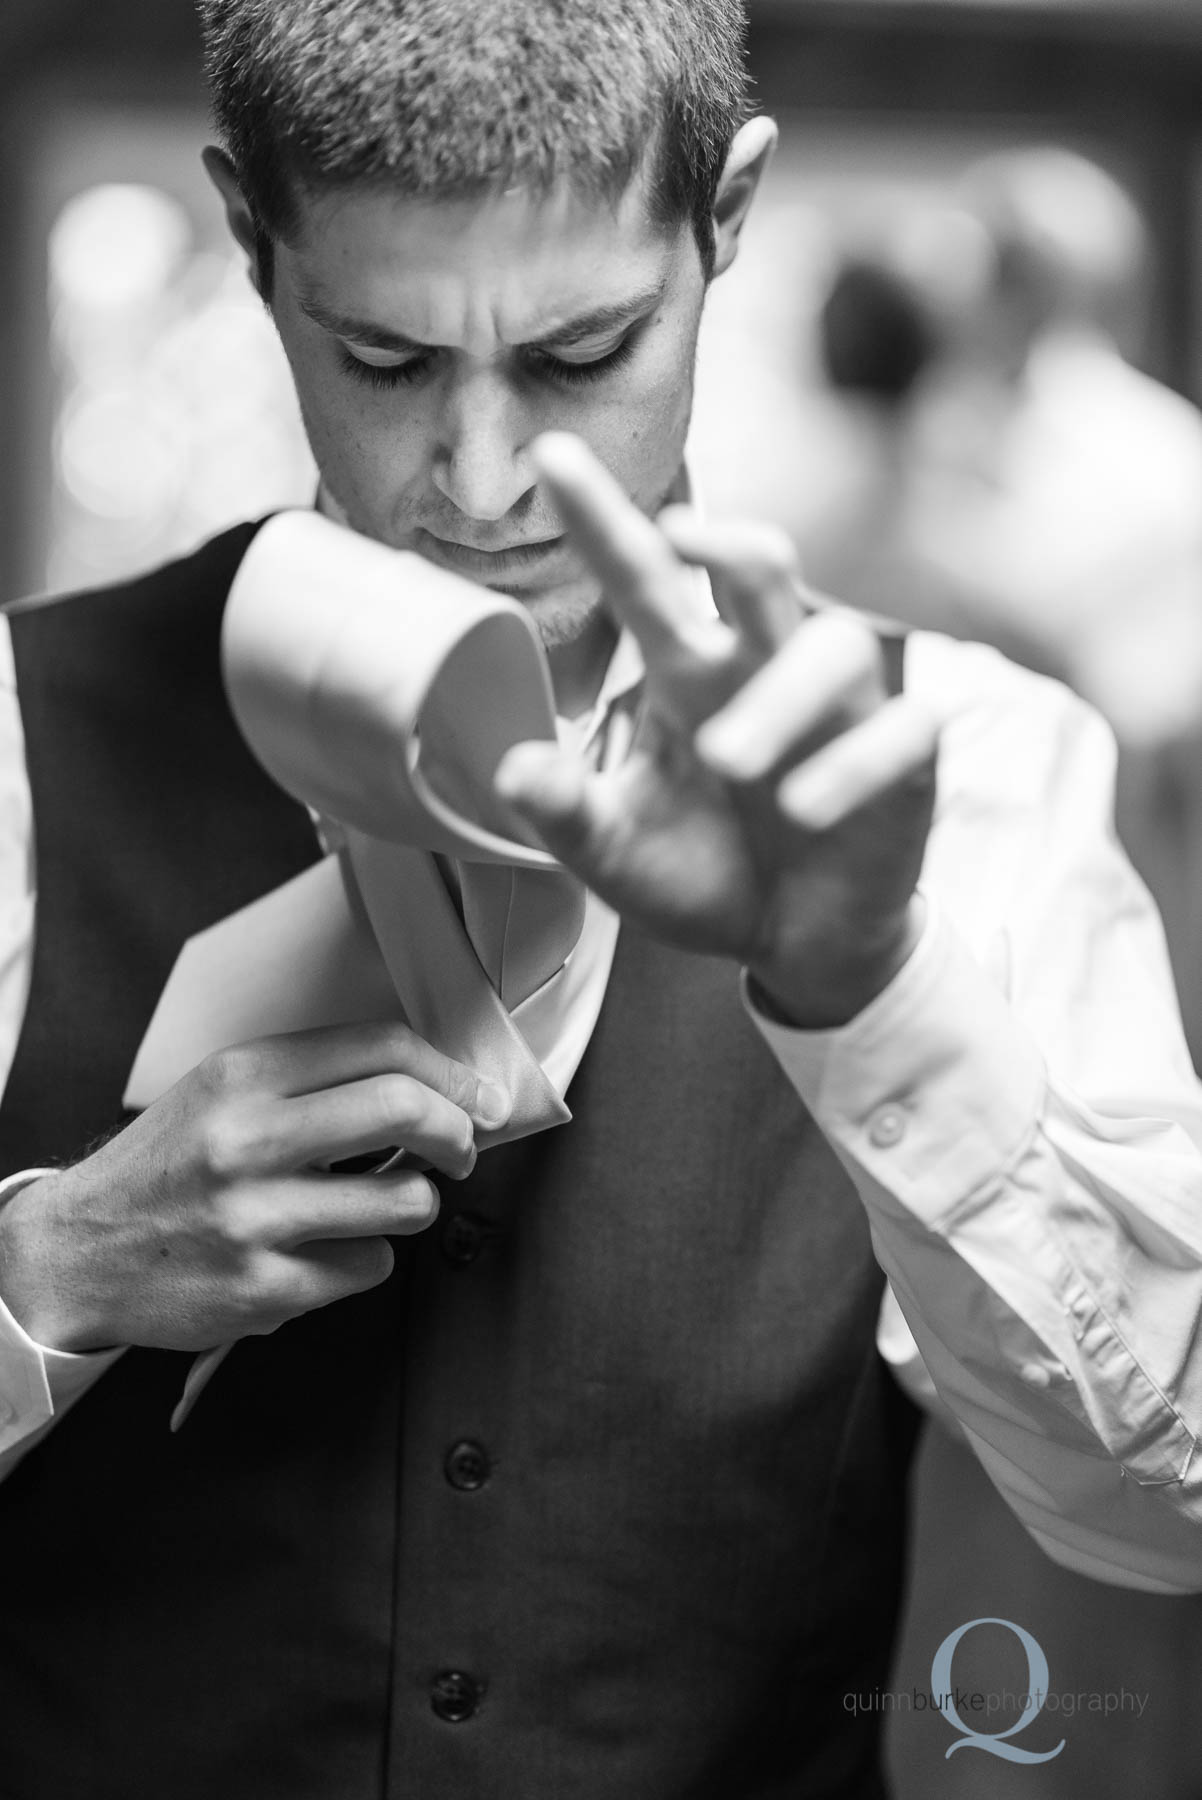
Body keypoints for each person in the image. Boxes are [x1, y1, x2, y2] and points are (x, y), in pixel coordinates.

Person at [0, 5, 1200, 1796]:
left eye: (582, 353)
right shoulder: (21, 741)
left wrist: (869, 988)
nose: (482, 485)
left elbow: (1162, 1510)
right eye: (385, 360)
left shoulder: (974, 760)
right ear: (250, 240)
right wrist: (45, 1278)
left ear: (725, 213)